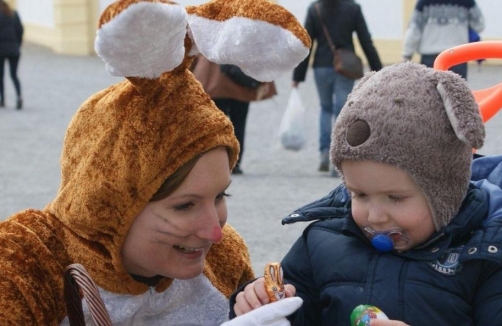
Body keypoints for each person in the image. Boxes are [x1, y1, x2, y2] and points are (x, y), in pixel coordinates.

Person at [0, 0, 311, 324]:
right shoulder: (30, 264)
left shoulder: (222, 258)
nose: (215, 232)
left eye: (220, 196)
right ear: (108, 202)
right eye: (184, 205)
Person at [231, 62, 502, 325]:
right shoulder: (322, 244)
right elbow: (294, 311)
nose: (375, 216)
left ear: (445, 192)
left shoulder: (484, 256)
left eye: (395, 198)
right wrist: (261, 307)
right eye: (359, 194)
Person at [292, 0, 382, 176]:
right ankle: (338, 157)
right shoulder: (353, 8)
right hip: (345, 67)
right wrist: (378, 69)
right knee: (342, 112)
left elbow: (306, 44)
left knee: (325, 109)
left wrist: (298, 76)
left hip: (321, 66)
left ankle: (324, 153)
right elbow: (366, 40)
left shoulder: (315, 8)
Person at [192, 56, 277, 175]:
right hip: (241, 83)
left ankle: (214, 163)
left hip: (213, 82)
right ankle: (235, 164)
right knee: (239, 124)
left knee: (215, 128)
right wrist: (264, 80)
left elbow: (192, 52)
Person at [402, 0, 485, 80]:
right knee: (457, 92)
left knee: (430, 92)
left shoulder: (424, 2)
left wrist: (407, 54)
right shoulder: (467, 2)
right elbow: (479, 25)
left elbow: (414, 29)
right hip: (457, 55)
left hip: (430, 56)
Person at [0, 0, 23, 109]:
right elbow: (20, 30)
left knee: (1, 76)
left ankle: (2, 100)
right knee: (14, 75)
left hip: (1, 50)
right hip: (14, 50)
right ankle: (19, 96)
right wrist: (17, 44)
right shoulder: (14, 14)